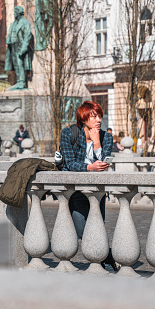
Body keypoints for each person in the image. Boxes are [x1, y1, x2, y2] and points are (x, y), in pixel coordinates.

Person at [60, 101, 116, 270]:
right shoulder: (68, 133)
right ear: (83, 119)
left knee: (97, 227)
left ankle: (101, 263)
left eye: (100, 116)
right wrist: (89, 167)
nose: (98, 120)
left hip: (97, 191)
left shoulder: (106, 137)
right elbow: (69, 163)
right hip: (76, 190)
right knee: (82, 230)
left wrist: (96, 142)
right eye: (94, 116)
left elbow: (104, 164)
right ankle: (110, 257)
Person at [5, 6, 33, 90]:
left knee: (20, 64)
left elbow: (27, 36)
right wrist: (8, 39)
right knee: (16, 64)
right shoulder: (13, 23)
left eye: (15, 12)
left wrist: (23, 48)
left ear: (18, 13)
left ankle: (22, 82)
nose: (14, 14)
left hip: (20, 46)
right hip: (13, 46)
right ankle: (19, 80)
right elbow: (10, 33)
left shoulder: (25, 23)